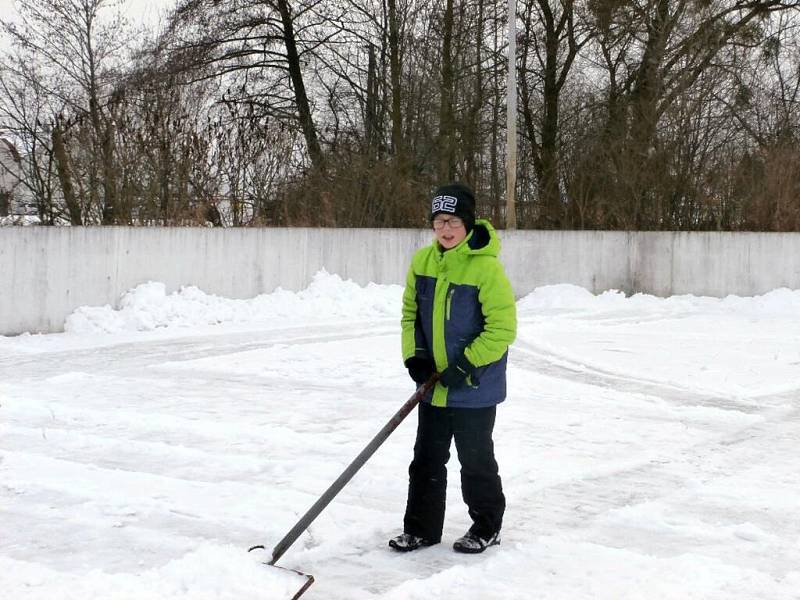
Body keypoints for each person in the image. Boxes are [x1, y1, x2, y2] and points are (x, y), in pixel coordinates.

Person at [389, 182, 517, 554]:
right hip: (434, 385)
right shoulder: (422, 263)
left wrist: (465, 365)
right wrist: (415, 356)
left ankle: (486, 525)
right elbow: (410, 316)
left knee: (475, 461)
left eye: (454, 222)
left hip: (474, 386)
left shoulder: (486, 269)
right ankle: (421, 528)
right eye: (439, 222)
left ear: (468, 223)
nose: (446, 230)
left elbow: (502, 329)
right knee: (426, 459)